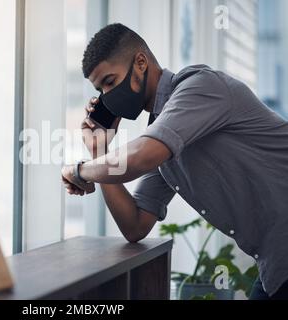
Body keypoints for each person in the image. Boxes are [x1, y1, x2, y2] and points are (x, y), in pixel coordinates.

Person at [61, 23, 288, 300]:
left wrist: (80, 171)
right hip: (276, 262)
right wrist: (99, 149)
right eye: (101, 91)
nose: (107, 97)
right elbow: (135, 225)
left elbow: (141, 157)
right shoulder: (165, 136)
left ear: (141, 62)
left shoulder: (200, 86)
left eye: (110, 82)